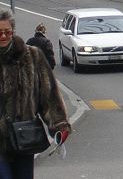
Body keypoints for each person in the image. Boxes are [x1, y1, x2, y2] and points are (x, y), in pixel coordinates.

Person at [0, 9, 71, 179]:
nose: (3, 36)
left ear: (13, 32)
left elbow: (49, 96)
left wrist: (59, 125)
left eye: (7, 32)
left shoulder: (31, 56)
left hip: (24, 136)